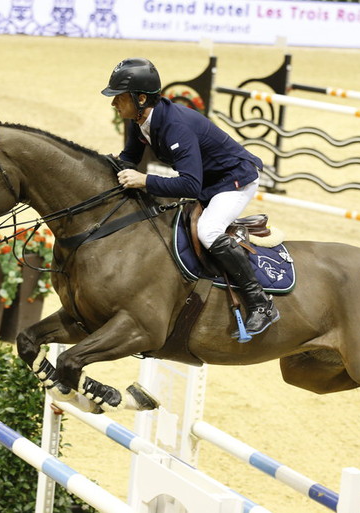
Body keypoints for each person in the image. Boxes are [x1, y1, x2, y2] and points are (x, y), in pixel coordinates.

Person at [103, 57, 280, 338]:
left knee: (208, 231)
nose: (114, 103)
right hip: (208, 182)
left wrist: (146, 181)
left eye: (119, 98)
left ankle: (260, 303)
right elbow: (128, 159)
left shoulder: (176, 125)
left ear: (139, 98)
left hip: (233, 180)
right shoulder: (139, 120)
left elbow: (189, 186)